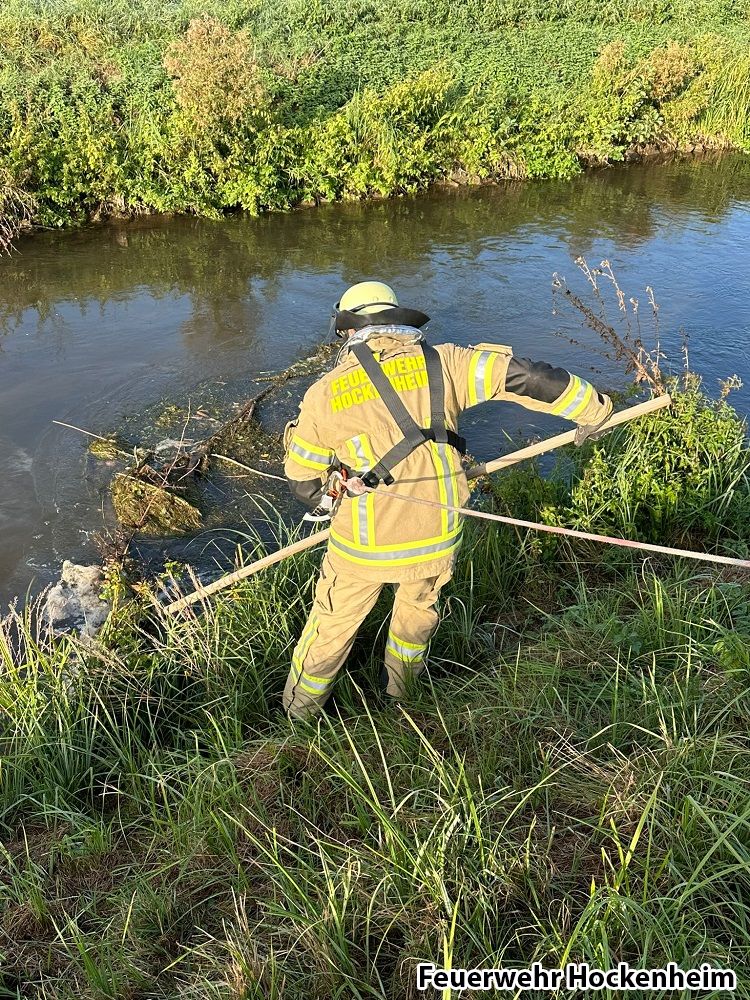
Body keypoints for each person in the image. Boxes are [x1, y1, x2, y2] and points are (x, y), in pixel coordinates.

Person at [282, 280, 612, 719]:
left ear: (348, 330)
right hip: (436, 534)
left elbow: (304, 482)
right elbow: (531, 378)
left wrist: (332, 490)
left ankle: (299, 716)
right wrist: (594, 410)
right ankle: (403, 700)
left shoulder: (325, 394)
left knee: (332, 626)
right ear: (397, 320)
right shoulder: (449, 362)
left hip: (364, 545)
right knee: (415, 617)